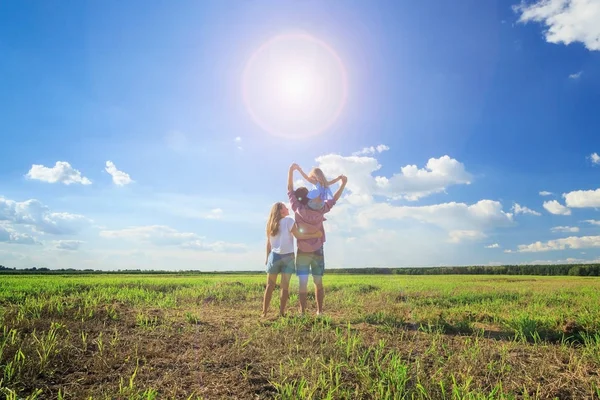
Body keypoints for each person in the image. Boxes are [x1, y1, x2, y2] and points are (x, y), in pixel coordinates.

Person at [287, 163, 348, 315]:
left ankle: (302, 312)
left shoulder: (298, 209)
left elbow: (289, 190)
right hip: (318, 249)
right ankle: (319, 311)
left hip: (302, 250)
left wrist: (291, 171)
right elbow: (333, 199)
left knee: (302, 283)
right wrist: (343, 185)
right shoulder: (321, 210)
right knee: (318, 282)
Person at [262, 201, 322, 318]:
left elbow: (268, 244)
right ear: (280, 210)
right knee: (284, 287)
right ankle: (281, 313)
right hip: (288, 257)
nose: (287, 208)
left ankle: (264, 313)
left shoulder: (270, 224)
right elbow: (299, 236)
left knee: (270, 285)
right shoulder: (289, 221)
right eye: (285, 207)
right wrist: (315, 235)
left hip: (274, 256)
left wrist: (267, 258)